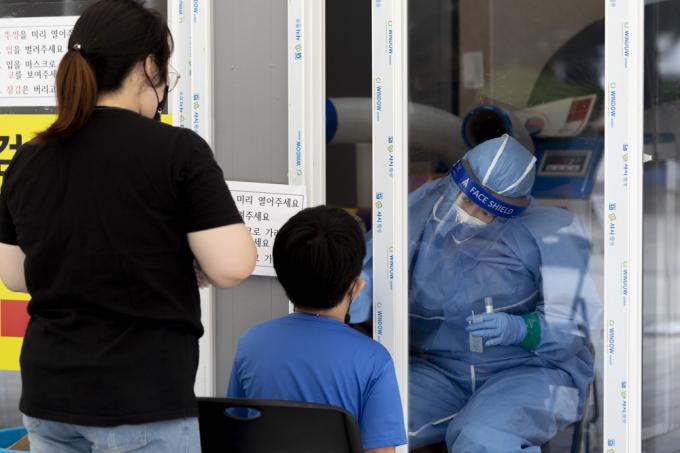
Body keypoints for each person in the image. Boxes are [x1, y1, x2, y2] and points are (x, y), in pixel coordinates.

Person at [0, 1, 257, 452]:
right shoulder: (176, 150)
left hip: (48, 397)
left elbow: (16, 275)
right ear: (149, 67)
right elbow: (232, 266)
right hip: (140, 399)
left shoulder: (29, 158)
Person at [349, 134, 601, 452]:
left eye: (485, 212)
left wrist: (522, 329)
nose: (469, 213)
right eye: (466, 200)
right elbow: (371, 268)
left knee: (483, 439)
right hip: (438, 371)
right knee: (367, 417)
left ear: (511, 211)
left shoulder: (550, 233)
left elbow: (576, 324)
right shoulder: (424, 209)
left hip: (525, 373)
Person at [227, 206, 407, 453]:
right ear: (356, 286)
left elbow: (234, 434)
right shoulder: (374, 360)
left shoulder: (252, 344)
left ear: (283, 277)